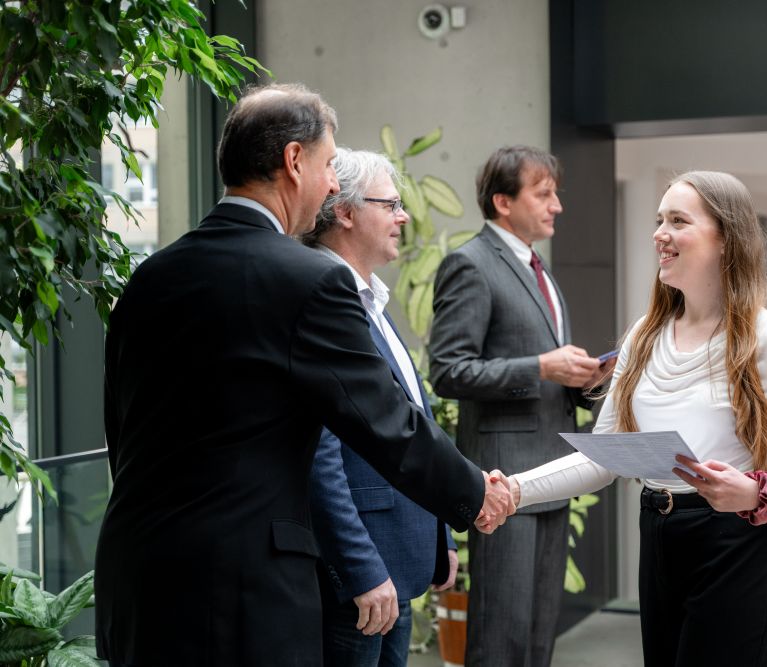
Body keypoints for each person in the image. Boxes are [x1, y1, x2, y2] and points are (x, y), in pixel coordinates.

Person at [97, 84, 511, 667]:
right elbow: (384, 421)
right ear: (294, 161)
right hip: (241, 595)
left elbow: (121, 430)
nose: (333, 184)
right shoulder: (310, 280)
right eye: (328, 164)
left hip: (136, 581)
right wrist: (474, 492)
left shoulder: (150, 277)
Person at [502, 171, 767, 666]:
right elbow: (604, 457)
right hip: (658, 535)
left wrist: (756, 493)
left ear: (726, 238)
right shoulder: (644, 335)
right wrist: (512, 490)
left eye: (677, 221)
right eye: (658, 220)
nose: (659, 234)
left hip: (738, 546)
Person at [429, 145, 606, 667]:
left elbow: (545, 368)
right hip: (502, 479)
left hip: (553, 473)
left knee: (537, 638)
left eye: (555, 194)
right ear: (503, 202)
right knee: (501, 638)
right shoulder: (470, 264)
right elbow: (448, 370)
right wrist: (541, 367)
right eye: (543, 194)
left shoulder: (539, 269)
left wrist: (584, 380)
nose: (557, 205)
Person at [301, 148, 458, 667]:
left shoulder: (370, 298)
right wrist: (361, 569)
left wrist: (440, 534)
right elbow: (320, 455)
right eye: (390, 204)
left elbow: (413, 424)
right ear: (345, 212)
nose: (404, 216)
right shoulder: (324, 298)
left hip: (399, 562)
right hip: (362, 576)